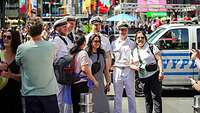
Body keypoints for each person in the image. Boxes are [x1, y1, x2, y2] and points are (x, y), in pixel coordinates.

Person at [15, 17, 59, 113]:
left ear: (27, 29)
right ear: (42, 29)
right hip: (49, 92)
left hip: (30, 94)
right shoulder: (51, 46)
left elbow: (18, 63)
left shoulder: (22, 48)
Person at [131, 31, 164, 113]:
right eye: (138, 38)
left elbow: (159, 59)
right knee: (147, 99)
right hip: (142, 78)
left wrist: (161, 72)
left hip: (154, 76)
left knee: (156, 98)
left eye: (142, 37)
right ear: (135, 40)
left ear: (145, 39)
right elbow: (130, 64)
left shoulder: (151, 47)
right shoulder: (134, 51)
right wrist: (137, 67)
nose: (140, 39)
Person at [111, 20, 137, 113]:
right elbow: (111, 57)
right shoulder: (113, 43)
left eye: (125, 30)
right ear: (118, 30)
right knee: (117, 96)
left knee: (131, 95)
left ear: (127, 30)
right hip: (117, 69)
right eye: (121, 30)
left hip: (129, 70)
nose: (123, 32)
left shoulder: (132, 43)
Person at [49, 18, 74, 113]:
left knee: (66, 98)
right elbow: (52, 58)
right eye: (63, 27)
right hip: (58, 72)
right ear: (57, 28)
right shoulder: (55, 40)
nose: (66, 28)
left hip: (67, 72)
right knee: (58, 98)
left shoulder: (67, 39)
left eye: (65, 26)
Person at [70, 34, 99, 113]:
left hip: (74, 83)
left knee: (76, 107)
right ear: (84, 42)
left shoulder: (73, 52)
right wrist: (94, 80)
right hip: (82, 84)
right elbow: (84, 68)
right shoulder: (83, 53)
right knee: (83, 108)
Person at [86, 33, 110, 113]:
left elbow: (106, 69)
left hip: (100, 84)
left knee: (103, 106)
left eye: (99, 41)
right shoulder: (86, 54)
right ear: (91, 42)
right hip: (90, 84)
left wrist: (108, 82)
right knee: (92, 106)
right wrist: (93, 81)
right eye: (95, 41)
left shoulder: (102, 53)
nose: (97, 43)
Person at [0, 29, 23, 113]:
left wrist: (11, 75)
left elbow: (23, 77)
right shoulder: (0, 54)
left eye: (9, 37)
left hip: (15, 97)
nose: (5, 39)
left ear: (14, 39)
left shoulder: (19, 56)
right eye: (4, 36)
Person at [86, 16, 112, 84]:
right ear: (91, 25)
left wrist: (108, 69)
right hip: (90, 69)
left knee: (100, 89)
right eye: (95, 25)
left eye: (99, 25)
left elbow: (108, 55)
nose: (97, 27)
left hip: (102, 69)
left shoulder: (105, 39)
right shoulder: (86, 38)